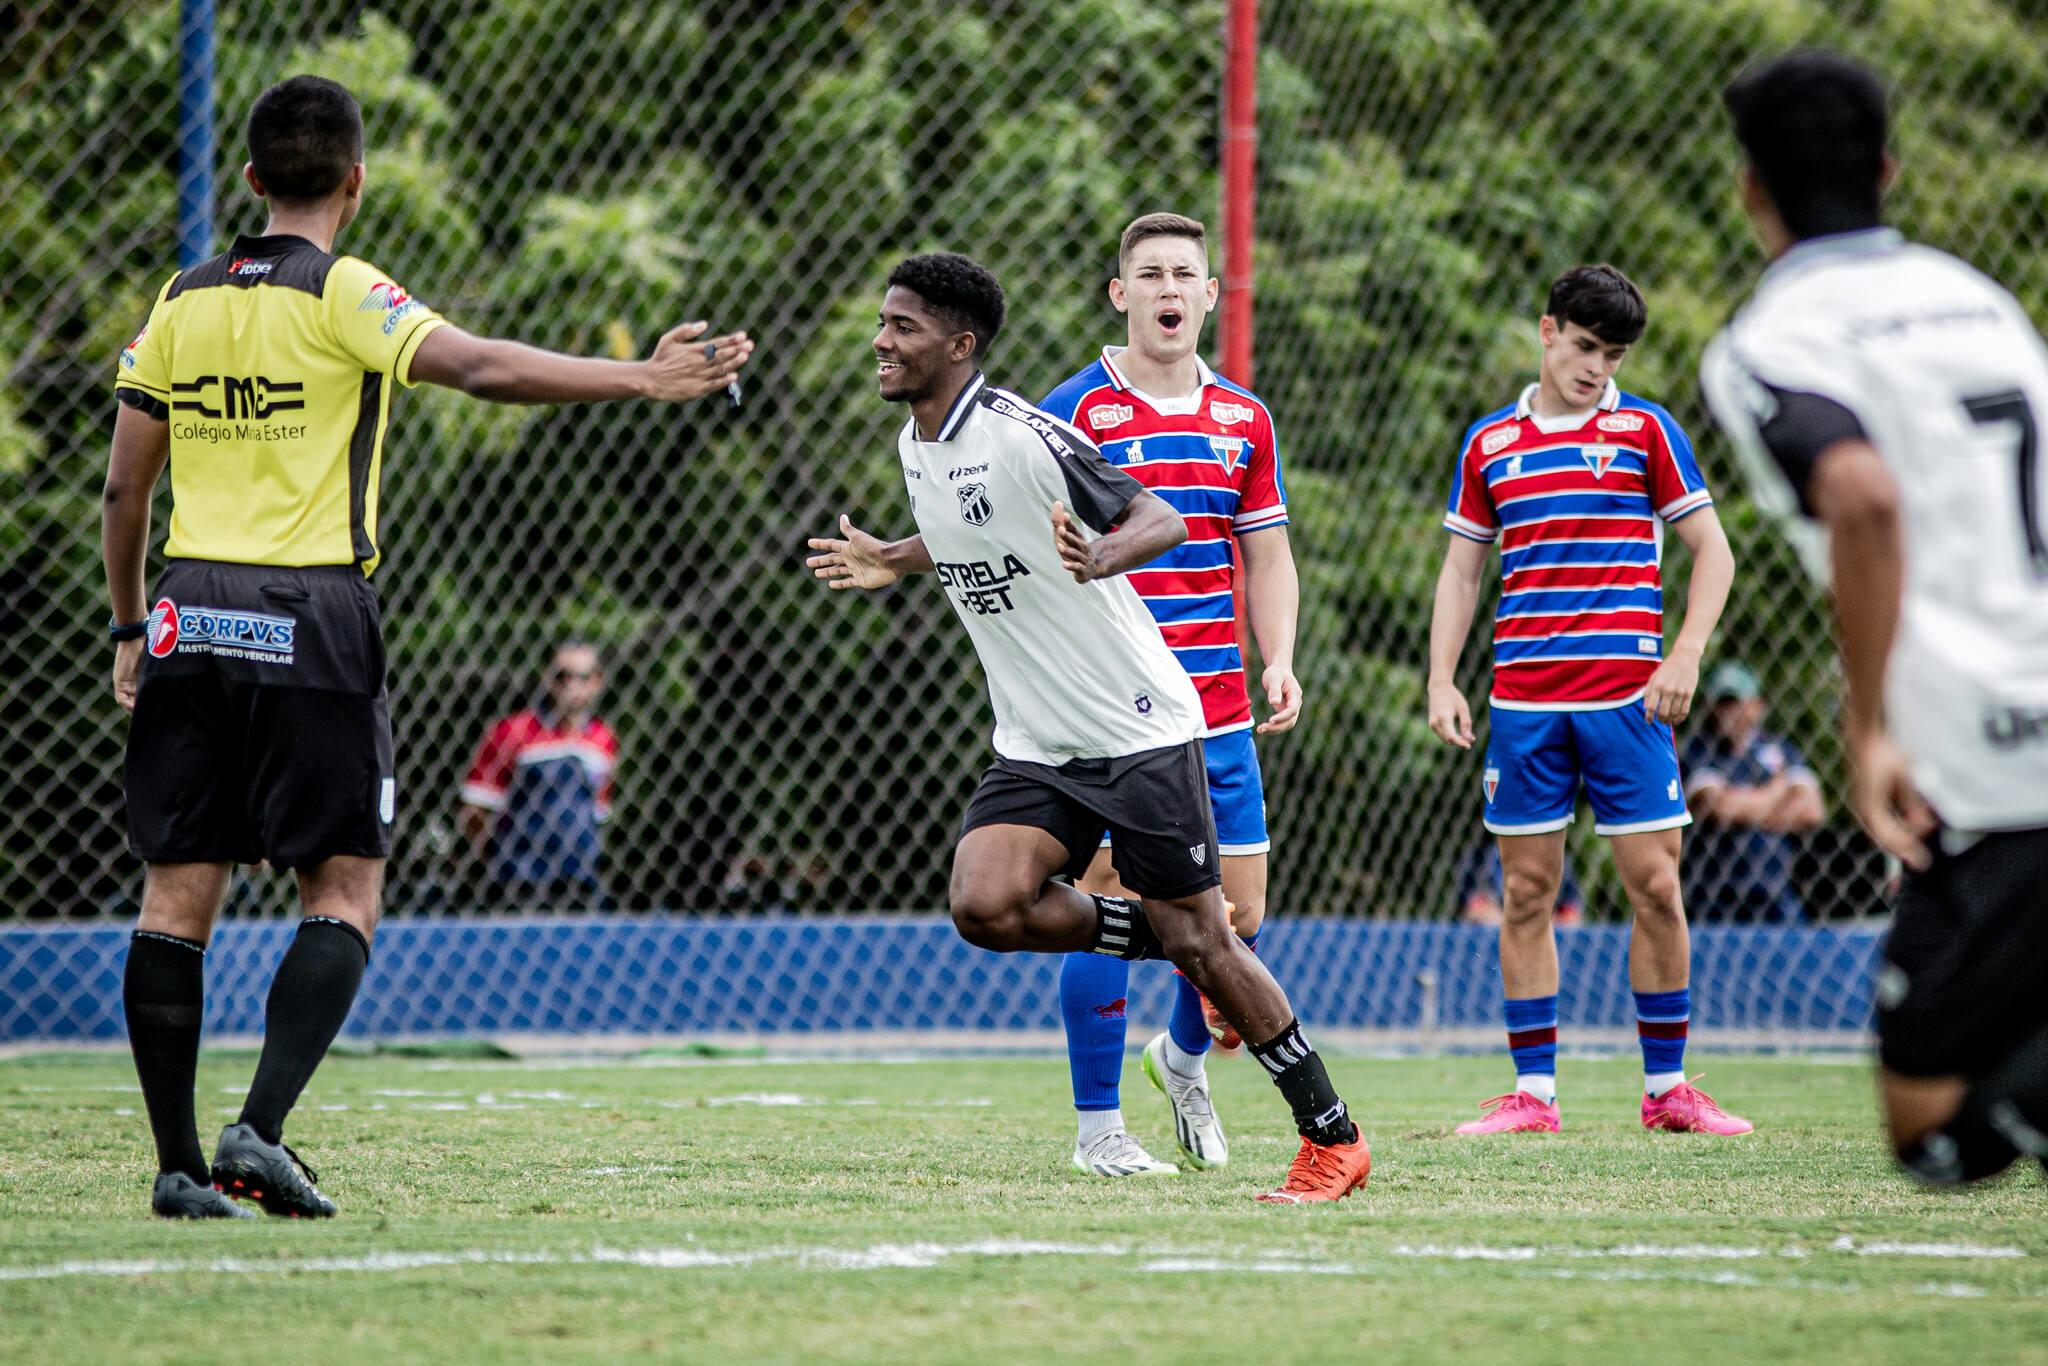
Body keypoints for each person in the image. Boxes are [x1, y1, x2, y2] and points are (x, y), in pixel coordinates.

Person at [104, 75, 751, 1219]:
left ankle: (172, 1165)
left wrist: (125, 624)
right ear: (355, 181)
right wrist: (641, 377)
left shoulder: (181, 301)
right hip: (308, 613)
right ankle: (255, 1130)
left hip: (186, 611)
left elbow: (123, 485)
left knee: (173, 898)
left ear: (250, 178)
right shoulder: (344, 290)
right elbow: (483, 367)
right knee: (344, 886)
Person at [806, 252, 1369, 1202]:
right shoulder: (919, 443)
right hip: (1038, 738)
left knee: (1213, 943)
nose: (881, 341)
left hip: (1135, 725)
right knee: (986, 904)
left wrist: (1103, 552)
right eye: (883, 322)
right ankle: (1167, 936)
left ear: (959, 343)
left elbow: (1160, 520)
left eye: (901, 327)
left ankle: (1332, 1136)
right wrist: (895, 560)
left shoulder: (1023, 431)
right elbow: (969, 534)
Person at [1702, 49, 2048, 1184]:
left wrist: (1869, 726)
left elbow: (1858, 494)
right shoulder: (1979, 301)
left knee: (1937, 1139)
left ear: (1748, 186)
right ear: (1889, 170)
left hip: (1993, 754)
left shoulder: (1773, 340)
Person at [1427, 264, 1750, 1136]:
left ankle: (1668, 1089)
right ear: (1546, 331)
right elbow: (1464, 569)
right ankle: (1534, 1095)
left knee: (1655, 885)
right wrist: (1441, 677)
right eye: (1582, 347)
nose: (1596, 367)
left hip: (1628, 703)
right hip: (1525, 704)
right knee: (1526, 892)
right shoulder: (1491, 443)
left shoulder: (1647, 430)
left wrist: (1683, 654)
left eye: (1610, 354)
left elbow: (1712, 552)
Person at [1034, 212, 1300, 1176]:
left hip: (1219, 715)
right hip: (1112, 719)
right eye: (1148, 274)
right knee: (1106, 899)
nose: (1168, 289)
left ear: (1210, 294)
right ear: (1121, 294)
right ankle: (1098, 1131)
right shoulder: (1075, 410)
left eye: (1184, 273)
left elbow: (1266, 554)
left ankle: (1183, 1061)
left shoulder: (1244, 417)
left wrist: (1280, 655)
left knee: (1238, 920)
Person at [459, 642, 619, 910]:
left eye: (581, 677)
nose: (570, 684)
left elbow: (598, 811)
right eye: (562, 676)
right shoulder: (513, 731)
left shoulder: (603, 740)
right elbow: (475, 809)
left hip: (580, 884)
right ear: (548, 678)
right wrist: (501, 856)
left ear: (597, 682)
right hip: (520, 885)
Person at [1680, 661, 1824, 924]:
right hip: (1715, 898)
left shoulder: (1781, 748)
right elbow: (1718, 806)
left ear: (1757, 705)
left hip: (1776, 894)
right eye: (1722, 703)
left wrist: (1745, 808)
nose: (1728, 712)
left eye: (1736, 703)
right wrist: (1778, 791)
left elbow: (1811, 810)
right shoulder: (1698, 751)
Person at [1453, 840, 1583, 928]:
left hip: (1542, 937)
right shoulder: (1479, 859)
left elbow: (1570, 916)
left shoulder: (1557, 860)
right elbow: (1474, 911)